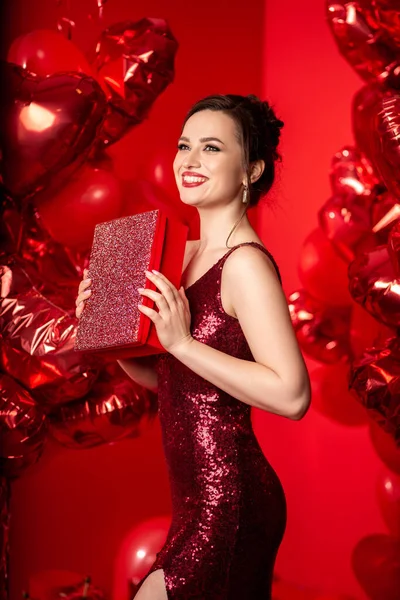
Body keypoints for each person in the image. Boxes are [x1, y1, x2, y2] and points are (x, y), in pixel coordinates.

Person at [75, 94, 311, 600]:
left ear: (251, 169)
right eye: (184, 146)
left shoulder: (245, 263)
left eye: (211, 147)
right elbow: (170, 379)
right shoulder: (176, 253)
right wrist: (106, 332)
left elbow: (292, 395)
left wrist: (180, 341)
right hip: (193, 502)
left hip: (231, 501)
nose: (189, 160)